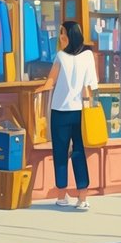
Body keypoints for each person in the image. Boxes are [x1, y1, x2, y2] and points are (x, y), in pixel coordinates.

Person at [38, 21, 98, 210]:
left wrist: (35, 90)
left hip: (60, 111)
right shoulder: (88, 56)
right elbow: (90, 86)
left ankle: (62, 195)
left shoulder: (60, 56)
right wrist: (88, 103)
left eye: (62, 33)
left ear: (69, 35)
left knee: (60, 153)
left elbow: (50, 83)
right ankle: (82, 197)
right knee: (79, 152)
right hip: (79, 110)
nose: (60, 36)